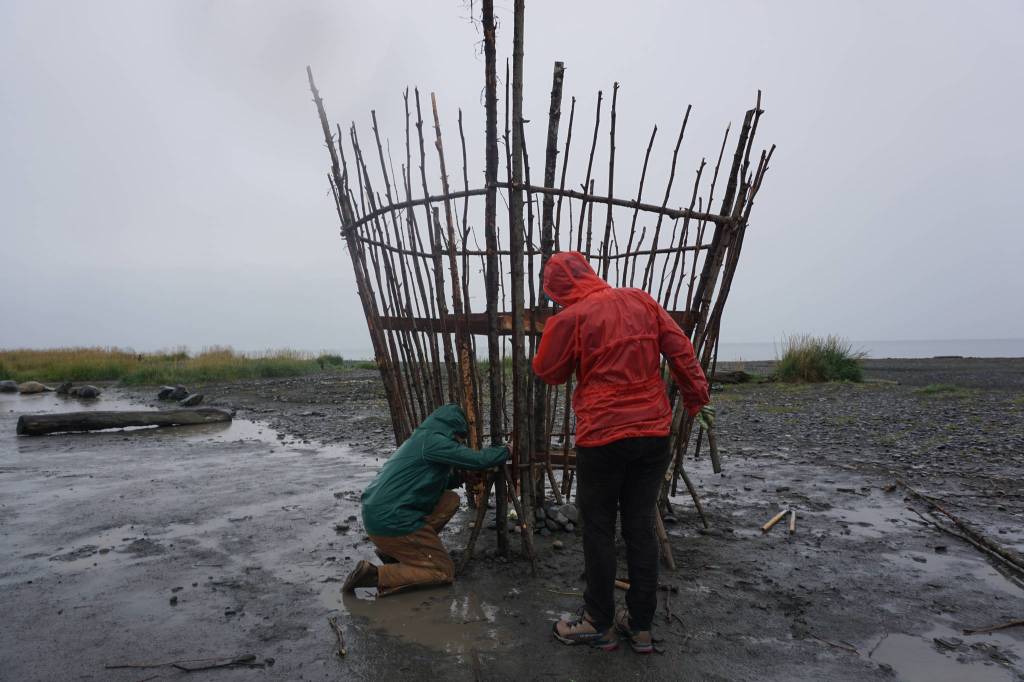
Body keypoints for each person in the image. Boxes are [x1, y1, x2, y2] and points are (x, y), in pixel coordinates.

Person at [532, 251, 712, 653]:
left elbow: (549, 371)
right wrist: (698, 399)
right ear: (589, 273)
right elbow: (680, 350)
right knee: (639, 526)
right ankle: (641, 626)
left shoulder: (570, 319)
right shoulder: (641, 300)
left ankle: (597, 621)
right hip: (653, 434)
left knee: (597, 527)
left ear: (558, 290)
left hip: (603, 437)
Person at [342, 404, 509, 596]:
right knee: (442, 571)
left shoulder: (421, 440)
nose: (458, 444)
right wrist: (506, 451)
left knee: (450, 499)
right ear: (452, 431)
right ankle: (373, 575)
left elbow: (429, 482)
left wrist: (461, 478)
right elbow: (478, 460)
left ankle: (395, 552)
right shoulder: (434, 442)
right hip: (392, 520)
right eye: (459, 440)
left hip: (379, 515)